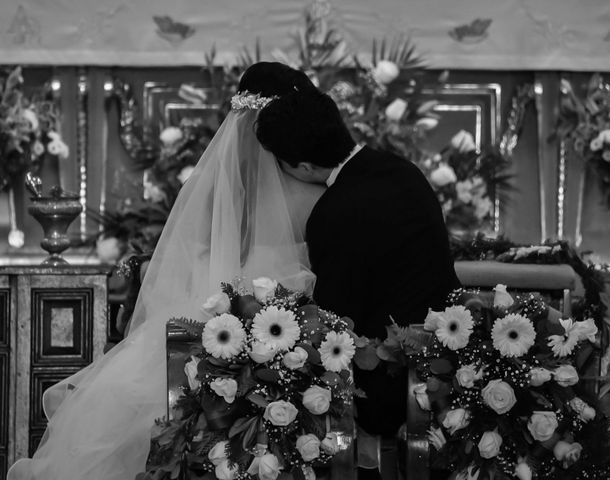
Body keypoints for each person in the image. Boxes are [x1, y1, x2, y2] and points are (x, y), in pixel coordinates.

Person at [7, 62, 325, 480]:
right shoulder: (313, 188)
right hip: (276, 335)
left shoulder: (212, 185)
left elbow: (182, 269)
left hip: (192, 330)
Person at [255, 90, 460, 479]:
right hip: (442, 355)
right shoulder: (401, 169)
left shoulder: (334, 212)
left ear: (300, 165)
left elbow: (336, 322)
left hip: (391, 387)